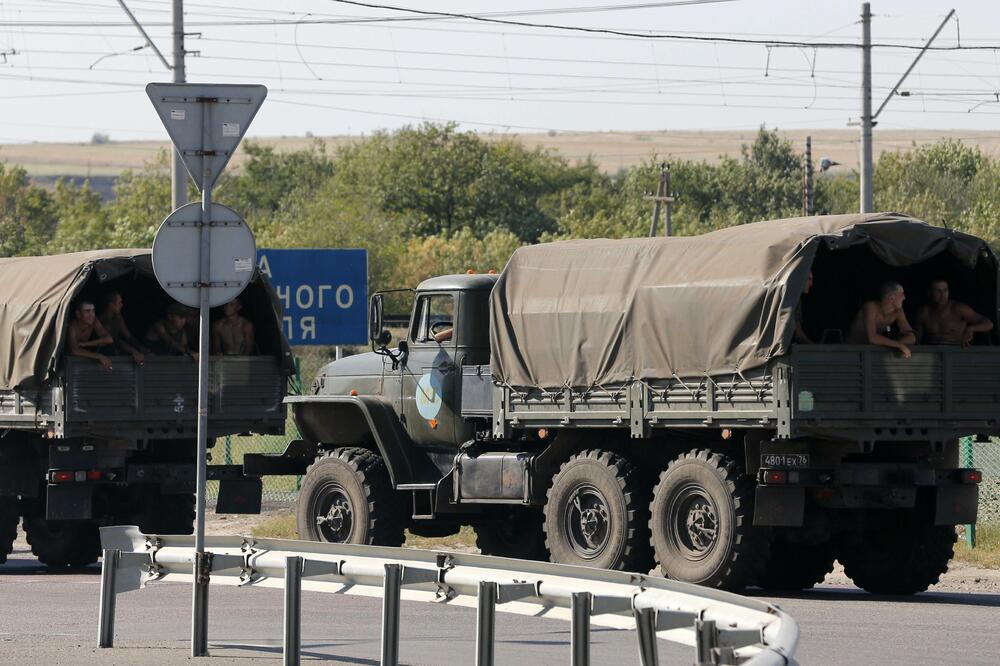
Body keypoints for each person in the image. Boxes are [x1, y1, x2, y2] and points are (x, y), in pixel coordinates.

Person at [846, 281, 917, 358]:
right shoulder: (871, 307)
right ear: (891, 298)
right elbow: (872, 338)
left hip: (872, 352)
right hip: (851, 349)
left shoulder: (898, 311)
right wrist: (899, 345)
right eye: (902, 294)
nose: (904, 298)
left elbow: (912, 337)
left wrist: (897, 344)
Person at [915, 279, 993, 346]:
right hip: (932, 351)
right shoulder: (923, 312)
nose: (943, 295)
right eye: (938, 291)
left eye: (945, 290)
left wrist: (971, 328)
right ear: (929, 293)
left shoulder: (958, 308)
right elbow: (917, 340)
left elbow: (988, 324)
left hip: (957, 351)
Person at [99, 290, 147, 365]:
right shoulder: (100, 321)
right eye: (119, 303)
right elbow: (115, 341)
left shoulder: (118, 318)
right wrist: (133, 351)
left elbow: (128, 336)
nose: (122, 305)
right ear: (111, 305)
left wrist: (141, 348)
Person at [67, 299, 114, 370]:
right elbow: (74, 350)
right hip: (69, 362)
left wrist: (86, 344)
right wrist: (99, 356)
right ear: (78, 314)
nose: (91, 315)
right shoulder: (72, 326)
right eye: (87, 311)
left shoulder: (94, 321)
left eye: (93, 311)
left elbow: (109, 339)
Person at [793, 271, 814, 344]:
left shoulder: (796, 298)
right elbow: (798, 333)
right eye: (809, 279)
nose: (811, 284)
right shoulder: (793, 299)